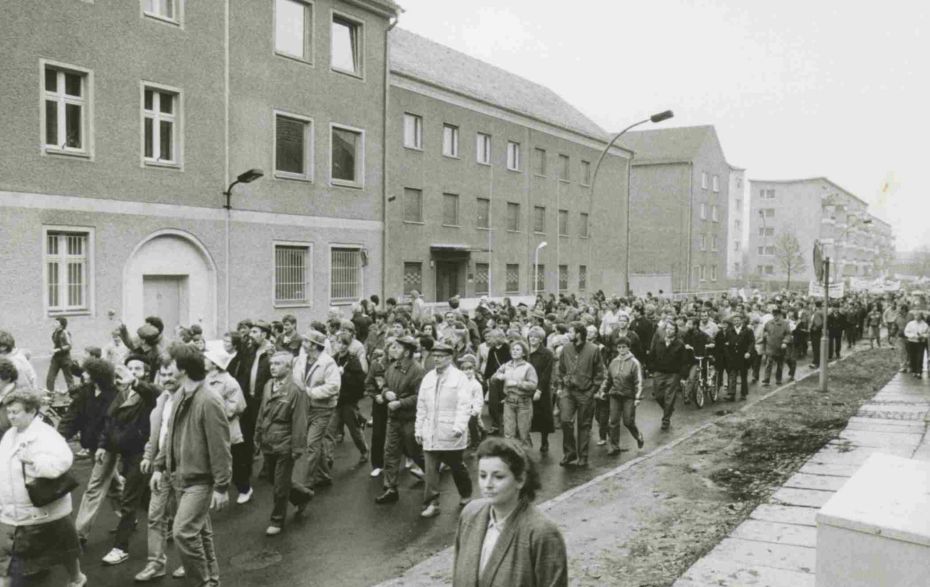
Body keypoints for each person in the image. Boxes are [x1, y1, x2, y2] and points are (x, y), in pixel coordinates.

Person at [151, 343, 232, 587]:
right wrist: (159, 467)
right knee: (200, 533)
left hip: (201, 480)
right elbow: (170, 435)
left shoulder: (209, 400)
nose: (167, 368)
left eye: (172, 363)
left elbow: (220, 447)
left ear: (183, 368)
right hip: (179, 477)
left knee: (183, 533)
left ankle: (201, 581)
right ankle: (211, 580)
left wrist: (221, 486)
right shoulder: (179, 395)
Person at [452, 438, 567, 587]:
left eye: (498, 476)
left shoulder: (542, 533)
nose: (487, 484)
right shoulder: (470, 515)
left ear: (520, 480)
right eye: (482, 475)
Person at [0, 389, 86, 587]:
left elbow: (63, 461)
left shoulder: (46, 435)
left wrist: (34, 461)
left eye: (16, 412)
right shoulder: (9, 435)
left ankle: (77, 578)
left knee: (65, 550)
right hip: (12, 510)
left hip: (44, 509)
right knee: (6, 556)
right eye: (9, 411)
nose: (10, 416)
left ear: (31, 412)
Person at [96, 357, 159, 566]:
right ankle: (167, 524)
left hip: (142, 454)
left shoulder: (150, 392)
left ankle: (120, 547)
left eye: (137, 368)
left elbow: (150, 393)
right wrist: (103, 445)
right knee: (146, 497)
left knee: (130, 499)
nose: (132, 371)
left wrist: (135, 381)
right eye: (129, 368)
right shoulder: (122, 393)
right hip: (126, 453)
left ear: (146, 372)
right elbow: (110, 420)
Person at [134, 359, 186, 583]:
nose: (166, 379)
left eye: (171, 374)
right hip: (161, 469)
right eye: (163, 375)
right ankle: (155, 564)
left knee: (187, 521)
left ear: (183, 374)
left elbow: (174, 439)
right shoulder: (161, 400)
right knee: (155, 517)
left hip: (184, 469)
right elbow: (157, 434)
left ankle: (190, 562)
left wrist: (157, 464)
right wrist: (148, 455)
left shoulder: (187, 400)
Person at [254, 351, 313, 535]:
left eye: (278, 364)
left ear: (289, 367)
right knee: (273, 478)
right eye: (272, 363)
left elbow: (300, 421)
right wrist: (257, 435)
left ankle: (277, 520)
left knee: (280, 484)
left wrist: (297, 447)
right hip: (269, 439)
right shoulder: (268, 385)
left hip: (285, 441)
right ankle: (303, 495)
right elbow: (262, 411)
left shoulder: (297, 389)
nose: (273, 367)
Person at [64, 358, 123, 543]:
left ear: (97, 375)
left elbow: (112, 424)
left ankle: (78, 534)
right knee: (114, 483)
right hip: (91, 445)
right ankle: (127, 516)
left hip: (107, 447)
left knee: (94, 488)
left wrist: (104, 446)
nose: (84, 374)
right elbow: (73, 416)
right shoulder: (86, 392)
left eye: (87, 372)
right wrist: (59, 436)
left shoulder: (115, 395)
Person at [415, 342, 473, 518]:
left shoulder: (459, 378)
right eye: (435, 356)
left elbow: (464, 405)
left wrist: (459, 426)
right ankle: (432, 503)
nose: (437, 359)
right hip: (430, 431)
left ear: (450, 358)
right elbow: (422, 405)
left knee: (456, 465)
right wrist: (418, 429)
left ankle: (466, 494)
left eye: (441, 356)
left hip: (450, 431)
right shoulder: (428, 378)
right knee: (430, 468)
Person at [375, 337, 425, 504]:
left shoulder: (417, 370)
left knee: (415, 452)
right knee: (390, 452)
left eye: (397, 347)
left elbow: (420, 397)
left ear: (407, 351)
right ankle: (391, 488)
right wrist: (385, 393)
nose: (392, 349)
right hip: (394, 419)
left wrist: (401, 403)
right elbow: (385, 386)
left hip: (410, 419)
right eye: (392, 346)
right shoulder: (392, 367)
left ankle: (432, 477)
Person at [292, 330, 341, 489]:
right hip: (305, 408)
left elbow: (333, 386)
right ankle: (324, 475)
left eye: (306, 342)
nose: (303, 344)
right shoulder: (301, 359)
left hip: (322, 409)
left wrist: (311, 392)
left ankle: (305, 483)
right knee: (315, 443)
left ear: (314, 345)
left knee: (311, 444)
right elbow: (296, 379)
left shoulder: (328, 362)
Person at [555, 322, 605, 466]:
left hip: (586, 392)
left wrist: (592, 391)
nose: (568, 334)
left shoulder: (594, 349)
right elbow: (561, 368)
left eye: (571, 331)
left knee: (584, 425)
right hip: (569, 391)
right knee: (565, 420)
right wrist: (562, 383)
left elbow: (599, 373)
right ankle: (569, 453)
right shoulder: (566, 348)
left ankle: (583, 456)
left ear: (578, 333)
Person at [599, 336, 644, 455]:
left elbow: (638, 381)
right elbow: (608, 379)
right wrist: (603, 390)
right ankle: (614, 446)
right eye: (619, 347)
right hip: (615, 394)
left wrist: (638, 397)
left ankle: (638, 435)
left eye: (624, 347)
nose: (621, 349)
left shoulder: (635, 363)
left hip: (629, 395)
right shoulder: (613, 362)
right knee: (613, 421)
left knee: (628, 421)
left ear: (628, 348)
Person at [330, 331, 369, 464]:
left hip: (347, 402)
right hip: (335, 401)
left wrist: (345, 374)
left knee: (354, 430)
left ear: (348, 345)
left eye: (343, 343)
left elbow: (359, 382)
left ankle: (364, 450)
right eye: (338, 342)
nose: (340, 346)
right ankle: (328, 458)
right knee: (330, 430)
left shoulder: (352, 360)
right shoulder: (333, 359)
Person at [492, 340, 538, 447]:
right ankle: (512, 458)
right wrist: (498, 376)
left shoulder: (528, 367)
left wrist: (517, 383)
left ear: (523, 353)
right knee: (508, 434)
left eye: (518, 349)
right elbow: (494, 378)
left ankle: (527, 458)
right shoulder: (506, 365)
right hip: (509, 402)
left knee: (523, 435)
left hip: (524, 403)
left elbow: (533, 385)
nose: (514, 351)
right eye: (513, 349)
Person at [649, 322, 689, 430]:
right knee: (658, 395)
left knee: (669, 397)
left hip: (673, 374)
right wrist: (652, 368)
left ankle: (666, 420)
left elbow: (684, 361)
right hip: (659, 372)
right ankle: (669, 409)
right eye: (667, 328)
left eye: (671, 329)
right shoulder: (659, 342)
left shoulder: (679, 344)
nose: (669, 330)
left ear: (675, 331)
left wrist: (683, 375)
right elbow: (652, 355)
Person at [526, 327, 555, 454]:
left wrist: (539, 390)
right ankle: (526, 440)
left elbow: (546, 374)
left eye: (535, 337)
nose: (532, 339)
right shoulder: (524, 351)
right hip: (527, 387)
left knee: (543, 416)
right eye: (531, 336)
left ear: (541, 339)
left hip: (541, 389)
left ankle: (544, 440)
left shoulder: (547, 353)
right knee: (526, 416)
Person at [723, 314, 755, 401]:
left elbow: (752, 342)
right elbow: (726, 343)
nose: (736, 322)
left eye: (738, 320)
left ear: (742, 321)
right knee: (732, 374)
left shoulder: (748, 330)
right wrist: (727, 353)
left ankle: (743, 394)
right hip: (733, 356)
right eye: (734, 320)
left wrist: (749, 352)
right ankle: (731, 394)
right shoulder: (729, 331)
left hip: (743, 356)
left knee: (743, 375)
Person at [761, 309, 792, 386]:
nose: (775, 317)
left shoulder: (785, 324)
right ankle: (766, 379)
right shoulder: (768, 323)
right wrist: (765, 335)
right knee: (769, 363)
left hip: (780, 347)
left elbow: (788, 334)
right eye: (774, 315)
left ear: (780, 315)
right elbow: (765, 330)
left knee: (780, 364)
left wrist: (785, 342)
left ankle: (778, 379)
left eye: (777, 315)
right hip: (770, 346)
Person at [46, 317, 75, 392]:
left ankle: (74, 396)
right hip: (56, 358)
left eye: (56, 323)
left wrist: (58, 349)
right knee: (50, 378)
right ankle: (50, 395)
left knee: (69, 379)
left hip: (65, 358)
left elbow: (69, 345)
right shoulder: (55, 332)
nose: (53, 324)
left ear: (61, 325)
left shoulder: (65, 332)